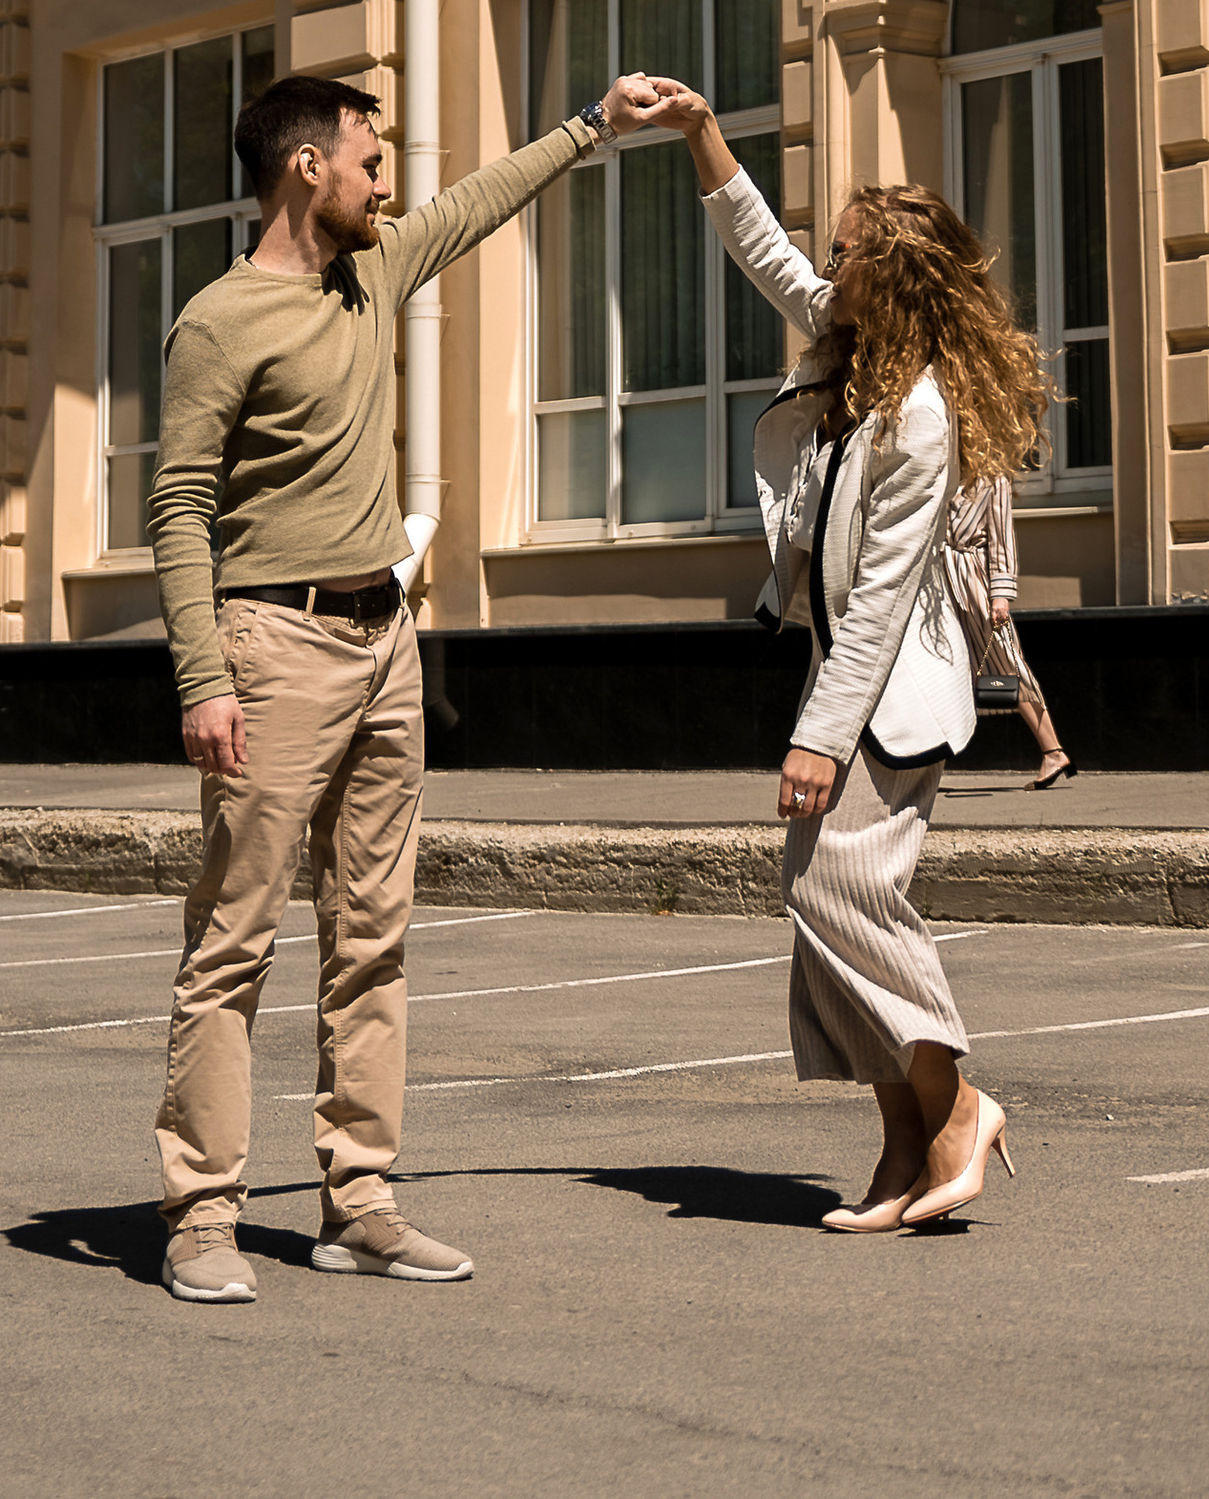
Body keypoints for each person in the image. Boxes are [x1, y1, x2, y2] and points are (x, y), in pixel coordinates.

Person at [147, 65, 667, 1305]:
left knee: (370, 940)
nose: (388, 183)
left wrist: (593, 125)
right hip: (271, 649)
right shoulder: (218, 320)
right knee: (233, 945)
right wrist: (203, 677)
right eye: (369, 160)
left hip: (387, 646)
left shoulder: (371, 267)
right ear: (305, 167)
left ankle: (359, 1201)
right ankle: (202, 1216)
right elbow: (178, 504)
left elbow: (483, 201)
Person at [647, 80, 1049, 1236]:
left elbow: (877, 599)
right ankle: (899, 1151)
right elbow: (764, 250)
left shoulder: (920, 412)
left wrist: (820, 737)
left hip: (888, 696)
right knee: (823, 898)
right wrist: (702, 137)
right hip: (843, 676)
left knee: (835, 888)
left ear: (890, 271)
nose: (827, 262)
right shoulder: (850, 354)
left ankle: (962, 1102)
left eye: (846, 249)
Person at [946, 475, 1078, 788]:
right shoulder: (937, 466)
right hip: (934, 584)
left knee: (1005, 665)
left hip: (970, 582)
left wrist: (1000, 595)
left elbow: (1002, 540)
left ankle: (1053, 750)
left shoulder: (994, 480)